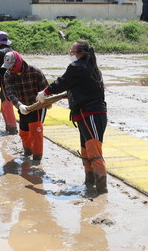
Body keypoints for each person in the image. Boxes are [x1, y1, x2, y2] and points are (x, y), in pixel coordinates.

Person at [36, 40, 108, 193]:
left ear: (81, 53)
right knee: (86, 150)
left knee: (94, 151)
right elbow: (80, 88)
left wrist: (45, 93)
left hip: (91, 114)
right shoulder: (89, 68)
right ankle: (89, 183)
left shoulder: (77, 67)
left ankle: (102, 190)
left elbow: (62, 83)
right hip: (84, 114)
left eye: (72, 52)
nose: (71, 54)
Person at [3, 51, 49, 162]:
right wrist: (19, 105)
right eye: (9, 67)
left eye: (13, 66)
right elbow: (10, 93)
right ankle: (27, 153)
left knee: (36, 133)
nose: (11, 69)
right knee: (23, 132)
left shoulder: (35, 71)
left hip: (37, 107)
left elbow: (46, 89)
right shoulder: (8, 75)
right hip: (22, 107)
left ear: (19, 62)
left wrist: (47, 102)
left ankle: (37, 160)